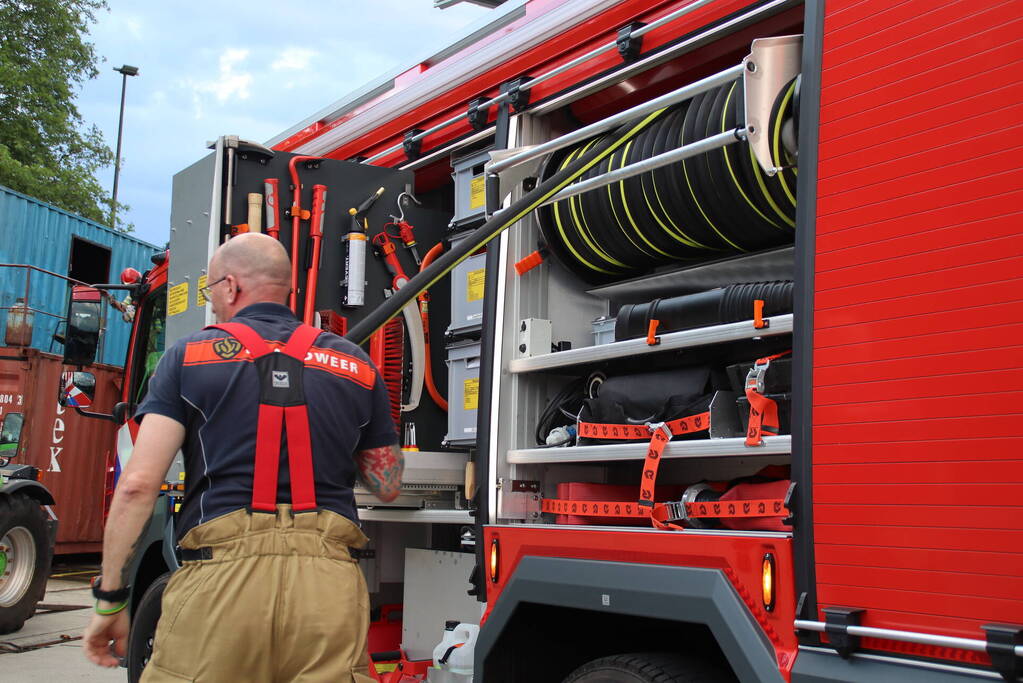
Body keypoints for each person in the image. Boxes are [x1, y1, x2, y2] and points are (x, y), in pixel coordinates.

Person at [83, 233, 403, 681]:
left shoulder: (188, 357)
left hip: (220, 583)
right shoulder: (357, 365)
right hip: (328, 589)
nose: (212, 304)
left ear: (230, 287)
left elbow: (137, 485)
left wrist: (112, 598)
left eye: (211, 291)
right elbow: (387, 486)